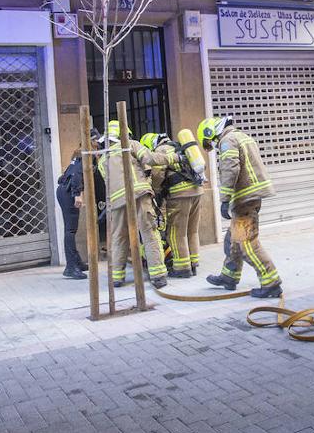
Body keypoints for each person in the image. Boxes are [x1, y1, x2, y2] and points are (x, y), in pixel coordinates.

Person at [198, 116, 282, 298]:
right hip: (250, 196)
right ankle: (229, 276)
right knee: (233, 240)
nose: (213, 145)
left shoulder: (227, 141)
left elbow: (231, 169)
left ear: (212, 132)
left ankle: (271, 282)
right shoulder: (241, 136)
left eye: (210, 141)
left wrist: (225, 199)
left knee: (246, 243)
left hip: (245, 198)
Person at [97, 120, 170, 289]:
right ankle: (158, 276)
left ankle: (117, 278)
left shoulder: (102, 160)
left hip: (116, 202)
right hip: (138, 195)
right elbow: (150, 159)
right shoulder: (130, 145)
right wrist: (173, 158)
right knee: (149, 233)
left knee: (119, 238)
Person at [141, 131, 205, 279]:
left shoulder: (161, 150)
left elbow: (157, 174)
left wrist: (156, 191)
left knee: (176, 233)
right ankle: (193, 263)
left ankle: (182, 268)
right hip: (197, 191)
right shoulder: (179, 146)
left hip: (179, 194)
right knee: (192, 230)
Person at [54, 136, 103, 279]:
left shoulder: (79, 153)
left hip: (64, 190)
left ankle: (76, 261)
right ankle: (70, 267)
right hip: (68, 192)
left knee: (71, 229)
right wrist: (77, 195)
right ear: (92, 142)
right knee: (70, 230)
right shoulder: (86, 155)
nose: (99, 146)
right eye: (97, 143)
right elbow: (76, 174)